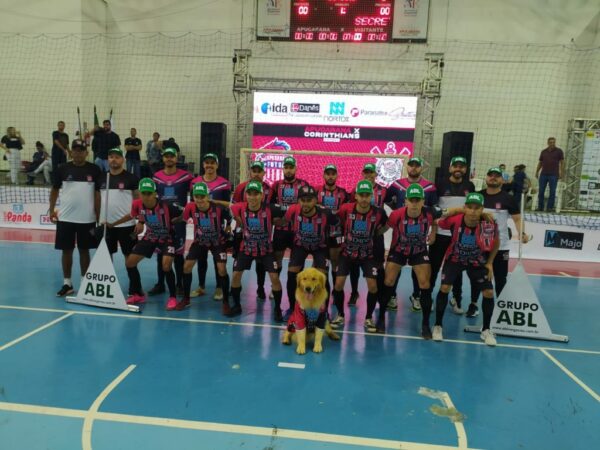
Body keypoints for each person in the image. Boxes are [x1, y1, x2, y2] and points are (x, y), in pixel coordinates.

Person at [432, 193, 499, 346]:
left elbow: (496, 243)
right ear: (465, 208)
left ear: (482, 209)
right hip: (455, 259)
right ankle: (437, 326)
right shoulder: (455, 220)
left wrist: (489, 263)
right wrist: (456, 212)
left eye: (477, 208)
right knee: (444, 287)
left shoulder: (487, 223)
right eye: (470, 207)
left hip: (476, 261)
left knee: (488, 292)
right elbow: (436, 220)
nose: (473, 211)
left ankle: (486, 330)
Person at [380, 184, 443, 338]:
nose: (414, 203)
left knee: (425, 284)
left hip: (419, 251)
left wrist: (434, 232)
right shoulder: (396, 214)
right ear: (406, 201)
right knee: (388, 281)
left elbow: (445, 216)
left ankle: (425, 324)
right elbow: (384, 229)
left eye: (418, 200)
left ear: (423, 201)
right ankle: (381, 317)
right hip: (398, 250)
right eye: (411, 200)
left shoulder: (431, 212)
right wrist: (371, 233)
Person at [465, 167, 530, 317]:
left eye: (497, 176)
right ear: (486, 178)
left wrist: (522, 233)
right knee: (477, 277)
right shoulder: (478, 196)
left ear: (502, 179)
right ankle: (474, 304)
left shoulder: (508, 199)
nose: (493, 178)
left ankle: (500, 308)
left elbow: (518, 219)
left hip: (501, 246)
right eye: (490, 175)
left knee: (501, 278)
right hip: (479, 246)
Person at [332, 180, 389, 333]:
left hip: (367, 255)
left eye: (367, 195)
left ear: (371, 196)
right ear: (356, 196)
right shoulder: (345, 209)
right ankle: (340, 315)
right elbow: (339, 224)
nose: (364, 199)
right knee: (338, 284)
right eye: (361, 195)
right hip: (347, 253)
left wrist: (376, 236)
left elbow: (385, 226)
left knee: (373, 286)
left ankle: (368, 317)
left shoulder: (379, 213)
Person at [48, 139, 101, 296]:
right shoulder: (62, 168)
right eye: (75, 150)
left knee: (84, 251)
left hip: (87, 219)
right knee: (67, 251)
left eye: (81, 150)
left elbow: (98, 194)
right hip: (65, 218)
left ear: (87, 152)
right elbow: (54, 190)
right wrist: (51, 210)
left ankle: (85, 284)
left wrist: (98, 215)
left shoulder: (95, 169)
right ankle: (67, 284)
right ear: (71, 152)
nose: (78, 153)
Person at [386, 156, 438, 311]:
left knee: (419, 269)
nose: (414, 168)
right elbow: (387, 200)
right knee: (395, 268)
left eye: (417, 165)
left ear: (421, 168)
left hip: (419, 238)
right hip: (400, 236)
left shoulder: (430, 187)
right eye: (411, 165)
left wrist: (433, 232)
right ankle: (392, 296)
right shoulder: (396, 185)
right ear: (407, 167)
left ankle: (416, 296)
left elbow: (435, 211)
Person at [280, 185, 338, 321]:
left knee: (323, 278)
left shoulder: (326, 213)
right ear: (298, 201)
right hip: (300, 246)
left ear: (315, 200)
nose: (306, 203)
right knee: (292, 274)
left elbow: (337, 225)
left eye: (309, 200)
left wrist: (334, 247)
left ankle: (323, 310)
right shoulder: (293, 210)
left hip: (320, 247)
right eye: (303, 200)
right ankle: (292, 308)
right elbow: (283, 222)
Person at [123, 178, 183, 309]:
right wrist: (113, 224)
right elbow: (133, 215)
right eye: (143, 193)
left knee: (166, 266)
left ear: (155, 193)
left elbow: (184, 213)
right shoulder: (137, 204)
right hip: (150, 236)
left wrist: (176, 220)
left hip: (168, 237)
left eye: (149, 193)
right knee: (130, 263)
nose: (146, 196)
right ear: (139, 193)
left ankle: (173, 297)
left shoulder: (167, 206)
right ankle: (138, 294)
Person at [229, 180, 285, 320]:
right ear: (246, 195)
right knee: (236, 275)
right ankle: (236, 305)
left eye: (256, 194)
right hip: (246, 248)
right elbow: (228, 206)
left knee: (274, 278)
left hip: (266, 249)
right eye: (250, 194)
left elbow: (290, 211)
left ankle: (277, 309)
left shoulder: (271, 209)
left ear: (262, 195)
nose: (253, 197)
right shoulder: (240, 207)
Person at [429, 156, 475, 314]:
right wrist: (433, 232)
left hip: (460, 235)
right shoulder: (439, 185)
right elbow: (435, 211)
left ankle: (456, 299)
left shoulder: (470, 186)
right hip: (441, 233)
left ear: (465, 169)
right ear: (449, 168)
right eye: (455, 165)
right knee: (433, 267)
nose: (458, 169)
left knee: (457, 268)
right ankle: (427, 298)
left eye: (462, 166)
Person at [178, 182, 232, 312]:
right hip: (200, 241)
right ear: (193, 197)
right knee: (186, 266)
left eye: (203, 196)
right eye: (197, 196)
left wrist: (229, 227)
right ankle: (186, 299)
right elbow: (183, 220)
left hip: (217, 242)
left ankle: (225, 301)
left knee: (222, 269)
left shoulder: (218, 208)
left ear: (208, 196)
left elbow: (230, 215)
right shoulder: (190, 207)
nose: (200, 199)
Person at [151, 147, 194, 296]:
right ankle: (160, 283)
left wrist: (186, 214)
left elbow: (195, 198)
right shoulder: (156, 177)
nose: (169, 159)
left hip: (178, 221)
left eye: (172, 156)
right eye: (166, 156)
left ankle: (180, 284)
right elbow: (152, 198)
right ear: (163, 158)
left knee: (178, 253)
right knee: (160, 253)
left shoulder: (187, 177)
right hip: (162, 221)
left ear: (177, 158)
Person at [188, 153, 231, 301]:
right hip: (200, 229)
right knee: (201, 258)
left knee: (217, 260)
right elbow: (193, 205)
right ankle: (201, 286)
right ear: (203, 165)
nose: (209, 165)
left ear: (217, 165)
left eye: (213, 163)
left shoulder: (225, 183)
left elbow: (227, 207)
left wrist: (228, 225)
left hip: (217, 229)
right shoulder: (194, 183)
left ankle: (219, 288)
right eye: (207, 163)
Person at [348, 163, 390, 307]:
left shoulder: (384, 191)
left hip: (375, 236)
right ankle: (354, 293)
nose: (368, 175)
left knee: (378, 266)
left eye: (371, 172)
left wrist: (380, 231)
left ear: (376, 174)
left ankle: (380, 295)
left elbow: (393, 211)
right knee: (354, 266)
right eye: (366, 172)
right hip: (358, 234)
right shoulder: (356, 190)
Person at [232, 160, 272, 301]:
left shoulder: (269, 189)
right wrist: (240, 221)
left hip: (261, 233)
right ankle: (235, 288)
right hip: (242, 230)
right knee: (238, 259)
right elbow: (235, 206)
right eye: (254, 171)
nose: (256, 173)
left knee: (260, 262)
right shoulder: (241, 187)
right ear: (250, 172)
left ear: (263, 173)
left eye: (259, 171)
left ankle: (260, 287)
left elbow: (269, 210)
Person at [270, 156, 310, 296]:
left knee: (298, 260)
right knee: (277, 258)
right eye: (286, 167)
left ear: (295, 169)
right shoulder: (276, 185)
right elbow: (269, 206)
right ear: (283, 169)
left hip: (297, 230)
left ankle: (299, 288)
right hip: (280, 230)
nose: (288, 170)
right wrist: (274, 219)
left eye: (291, 167)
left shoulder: (304, 185)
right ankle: (275, 285)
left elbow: (309, 205)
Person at [316, 164, 349, 309]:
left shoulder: (343, 193)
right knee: (321, 265)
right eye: (327, 173)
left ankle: (336, 293)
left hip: (337, 233)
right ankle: (323, 295)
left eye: (333, 174)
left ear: (337, 176)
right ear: (323, 175)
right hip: (320, 233)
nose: (330, 176)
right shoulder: (316, 191)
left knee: (335, 262)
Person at [98, 148, 139, 261]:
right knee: (106, 256)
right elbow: (97, 199)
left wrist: (140, 221)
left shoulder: (131, 178)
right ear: (108, 160)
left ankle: (133, 279)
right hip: (106, 224)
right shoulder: (101, 177)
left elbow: (138, 201)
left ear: (123, 160)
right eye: (111, 157)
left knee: (130, 257)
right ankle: (108, 278)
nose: (114, 160)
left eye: (117, 157)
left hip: (127, 225)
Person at [535, 137, 564, 212]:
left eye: (553, 142)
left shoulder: (559, 151)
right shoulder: (543, 151)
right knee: (541, 191)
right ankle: (540, 207)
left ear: (555, 142)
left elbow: (562, 163)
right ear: (548, 143)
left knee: (552, 191)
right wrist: (537, 171)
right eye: (550, 142)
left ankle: (550, 208)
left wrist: (561, 172)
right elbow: (540, 162)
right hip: (543, 174)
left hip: (554, 175)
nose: (552, 144)